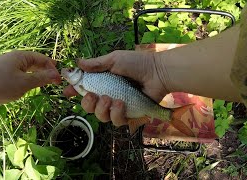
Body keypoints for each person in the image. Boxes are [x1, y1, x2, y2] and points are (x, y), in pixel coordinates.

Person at [63, 24, 244, 127]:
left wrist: (156, 70)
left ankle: (167, 115)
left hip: (137, 94)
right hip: (138, 96)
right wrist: (157, 70)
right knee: (115, 107)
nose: (68, 72)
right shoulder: (85, 81)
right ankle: (166, 114)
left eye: (71, 70)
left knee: (114, 107)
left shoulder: (85, 80)